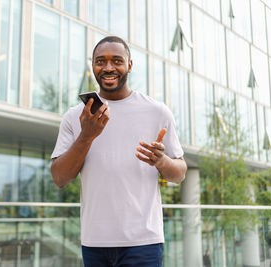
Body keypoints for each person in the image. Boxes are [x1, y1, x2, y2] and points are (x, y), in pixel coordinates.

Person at [50, 36, 187, 267]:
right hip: (95, 243)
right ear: (92, 65)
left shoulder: (157, 112)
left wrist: (161, 161)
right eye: (100, 61)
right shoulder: (76, 117)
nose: (108, 68)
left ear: (130, 65)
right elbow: (60, 178)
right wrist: (86, 136)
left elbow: (180, 173)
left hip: (144, 242)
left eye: (117, 60)